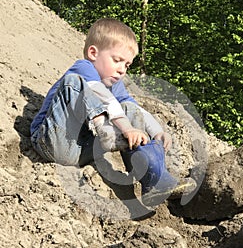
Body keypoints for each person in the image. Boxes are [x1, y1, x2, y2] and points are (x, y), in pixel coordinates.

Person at [30, 18, 181, 208]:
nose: (121, 70)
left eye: (127, 65)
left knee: (128, 107)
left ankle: (152, 178)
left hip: (83, 151)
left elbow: (133, 107)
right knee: (74, 82)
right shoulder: (84, 68)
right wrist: (124, 128)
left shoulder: (114, 84)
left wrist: (157, 132)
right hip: (52, 141)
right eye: (117, 60)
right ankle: (107, 132)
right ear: (93, 53)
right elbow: (100, 95)